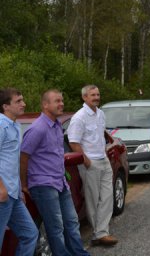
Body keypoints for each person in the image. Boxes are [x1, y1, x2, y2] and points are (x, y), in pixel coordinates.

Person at [20, 89, 90, 256]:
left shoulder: (57, 125)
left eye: (62, 100)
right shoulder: (37, 128)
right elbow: (23, 157)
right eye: (57, 101)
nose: (62, 104)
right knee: (55, 227)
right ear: (45, 105)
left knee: (72, 222)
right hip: (43, 185)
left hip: (60, 182)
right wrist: (23, 184)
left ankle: (79, 253)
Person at [67, 85, 118, 247]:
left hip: (103, 160)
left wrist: (104, 153)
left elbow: (100, 136)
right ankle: (99, 233)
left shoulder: (100, 114)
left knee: (107, 198)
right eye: (92, 95)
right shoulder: (79, 117)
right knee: (93, 199)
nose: (96, 97)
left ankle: (102, 231)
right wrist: (86, 161)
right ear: (84, 97)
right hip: (90, 164)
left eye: (98, 94)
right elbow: (73, 142)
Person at [0, 88, 37, 255]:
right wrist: (1, 188)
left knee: (30, 234)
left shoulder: (15, 125)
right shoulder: (1, 125)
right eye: (18, 101)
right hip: (2, 194)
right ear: (5, 106)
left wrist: (19, 186)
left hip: (13, 194)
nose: (24, 104)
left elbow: (12, 160)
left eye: (23, 100)